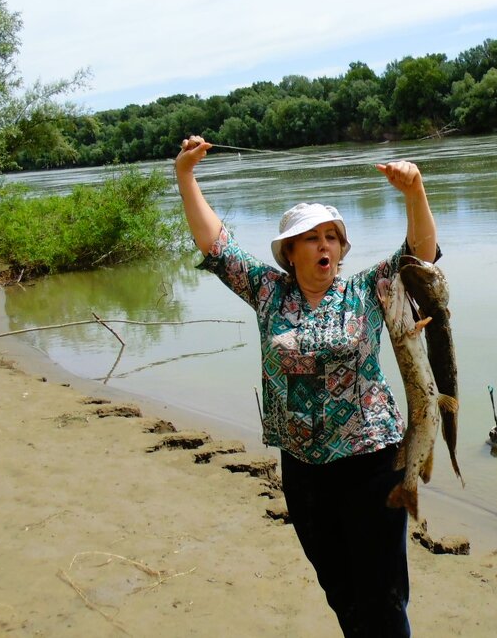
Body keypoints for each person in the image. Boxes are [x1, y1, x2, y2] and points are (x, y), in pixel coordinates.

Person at [174, 135, 440, 637]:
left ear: (341, 248)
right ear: (290, 253)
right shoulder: (267, 291)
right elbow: (216, 245)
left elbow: (421, 258)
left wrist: (415, 192)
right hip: (302, 469)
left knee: (382, 594)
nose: (325, 246)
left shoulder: (368, 290)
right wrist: (186, 175)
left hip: (372, 462)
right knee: (339, 589)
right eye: (312, 238)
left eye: (332, 237)